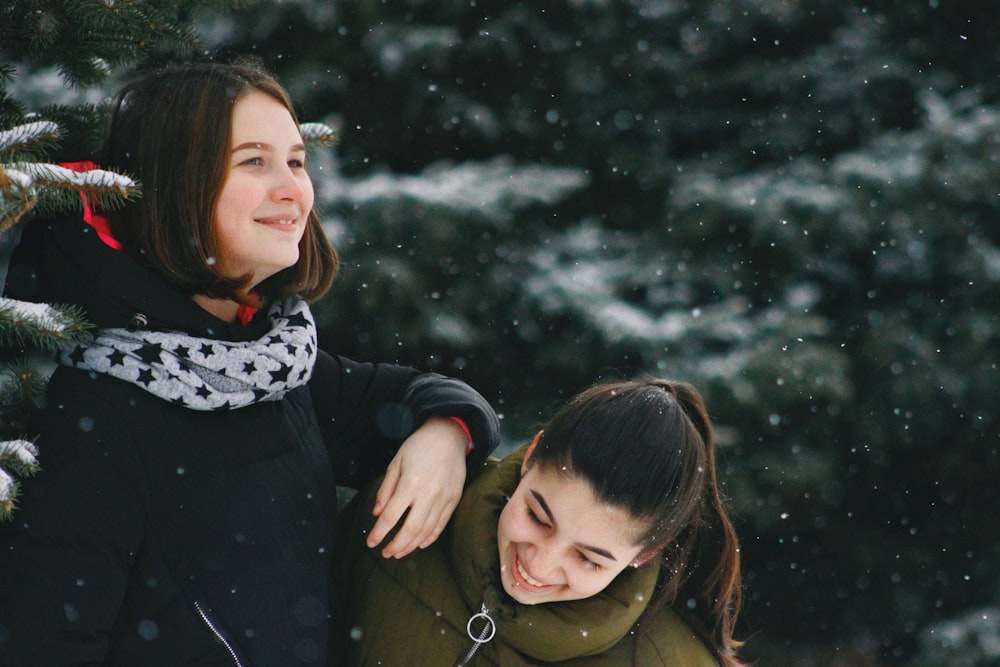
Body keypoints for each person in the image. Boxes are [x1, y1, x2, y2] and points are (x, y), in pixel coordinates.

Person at [0, 60, 499, 666]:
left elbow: (414, 396)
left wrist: (446, 433)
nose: (292, 188)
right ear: (172, 184)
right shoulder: (98, 414)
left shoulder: (270, 365)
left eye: (295, 161)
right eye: (254, 161)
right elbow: (47, 644)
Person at [335, 378, 745, 666]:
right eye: (537, 517)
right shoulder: (402, 511)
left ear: (649, 551)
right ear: (531, 455)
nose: (539, 566)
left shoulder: (667, 660)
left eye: (589, 559)